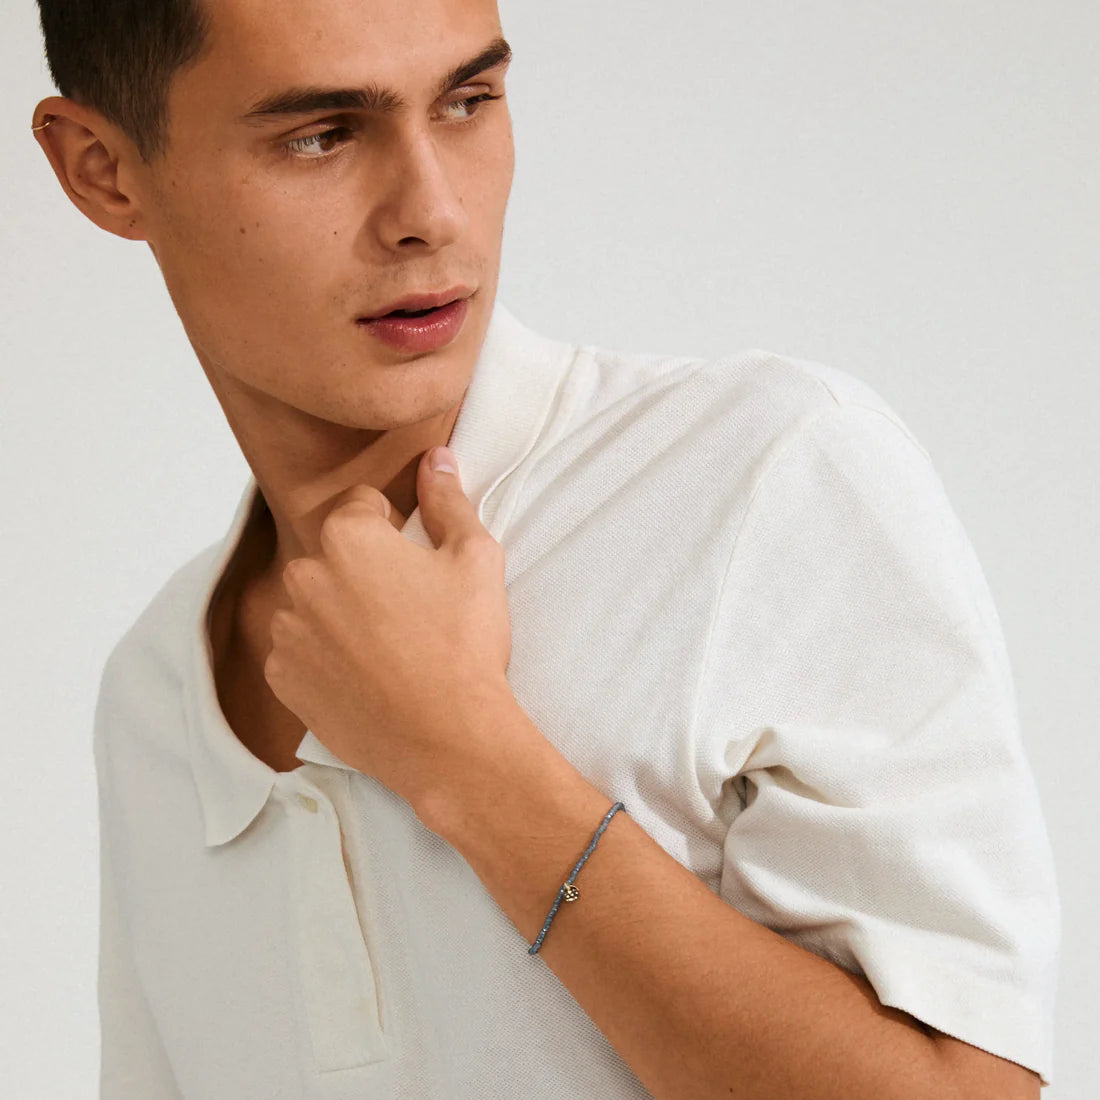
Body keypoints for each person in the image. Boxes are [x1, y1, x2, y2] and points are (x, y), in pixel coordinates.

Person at [32, 1, 1059, 1097]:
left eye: (467, 101)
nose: (432, 212)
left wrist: (464, 756)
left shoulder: (757, 477)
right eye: (321, 135)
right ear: (103, 170)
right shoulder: (154, 688)